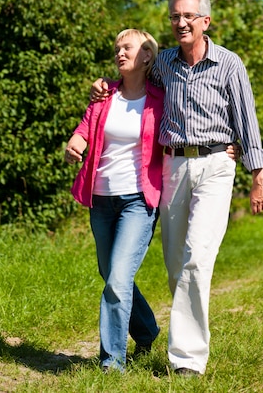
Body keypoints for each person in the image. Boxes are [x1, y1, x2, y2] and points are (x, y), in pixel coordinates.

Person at [91, 0, 263, 378]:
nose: (181, 22)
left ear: (206, 21)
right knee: (175, 264)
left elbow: (247, 120)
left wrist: (257, 173)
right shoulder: (165, 63)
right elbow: (131, 79)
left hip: (216, 166)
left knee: (195, 259)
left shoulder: (228, 64)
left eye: (189, 16)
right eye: (175, 16)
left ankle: (187, 360)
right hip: (172, 167)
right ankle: (163, 336)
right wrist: (104, 84)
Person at [65, 29, 164, 373]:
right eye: (117, 49)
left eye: (128, 48)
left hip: (139, 200)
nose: (120, 53)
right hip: (101, 199)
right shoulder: (105, 95)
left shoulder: (160, 98)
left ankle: (112, 364)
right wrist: (76, 142)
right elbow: (85, 127)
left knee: (118, 279)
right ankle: (148, 330)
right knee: (110, 275)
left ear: (147, 55)